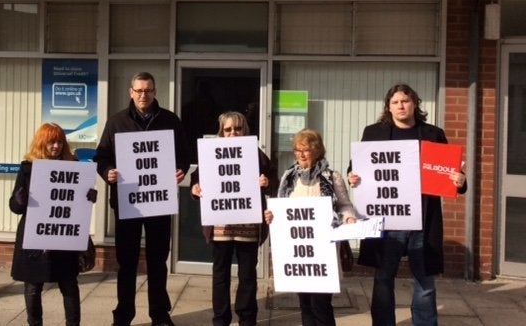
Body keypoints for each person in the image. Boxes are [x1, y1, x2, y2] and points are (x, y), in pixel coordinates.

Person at [347, 83, 467, 326]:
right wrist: (353, 176)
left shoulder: (433, 134)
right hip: (387, 221)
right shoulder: (374, 133)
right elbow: (356, 168)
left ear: (415, 104)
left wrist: (459, 181)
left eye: (405, 101)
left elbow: (449, 177)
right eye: (395, 102)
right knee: (383, 278)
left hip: (422, 220)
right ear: (388, 107)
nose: (401, 106)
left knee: (425, 282)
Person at [94, 72, 190, 326]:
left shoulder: (170, 120)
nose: (143, 95)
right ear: (131, 92)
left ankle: (159, 313)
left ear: (155, 92)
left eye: (147, 90)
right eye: (138, 91)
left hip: (158, 202)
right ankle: (123, 314)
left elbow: (183, 154)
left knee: (158, 260)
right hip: (129, 203)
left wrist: (180, 169)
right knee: (127, 262)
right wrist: (107, 172)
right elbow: (101, 156)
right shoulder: (117, 122)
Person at [190, 111, 278, 326]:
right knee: (220, 276)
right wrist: (195, 188)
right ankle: (220, 319)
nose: (232, 133)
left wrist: (266, 182)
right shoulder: (212, 153)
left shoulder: (255, 154)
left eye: (237, 129)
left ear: (244, 130)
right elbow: (197, 179)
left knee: (247, 276)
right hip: (221, 226)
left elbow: (275, 182)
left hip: (248, 227)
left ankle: (247, 319)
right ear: (221, 132)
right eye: (228, 129)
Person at [265, 129, 357, 326]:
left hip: (323, 254)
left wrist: (348, 218)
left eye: (305, 150)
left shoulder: (332, 177)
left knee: (321, 305)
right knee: (305, 305)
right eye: (297, 150)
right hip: (299, 253)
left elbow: (345, 205)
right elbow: (281, 207)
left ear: (317, 150)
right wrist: (272, 215)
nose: (301, 154)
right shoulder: (289, 177)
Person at [9, 122, 97, 326]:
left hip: (62, 235)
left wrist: (89, 196)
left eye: (59, 142)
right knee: (32, 287)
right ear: (42, 143)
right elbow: (14, 207)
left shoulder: (73, 167)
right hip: (35, 236)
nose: (56, 146)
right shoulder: (28, 168)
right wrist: (19, 200)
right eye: (51, 142)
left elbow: (77, 202)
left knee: (69, 284)